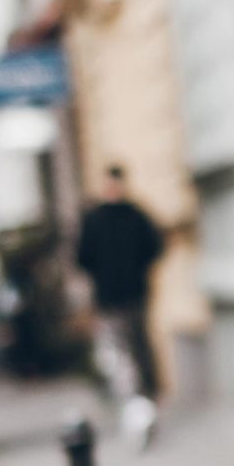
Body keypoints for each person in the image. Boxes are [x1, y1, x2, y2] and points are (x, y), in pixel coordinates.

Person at [74, 165, 164, 448]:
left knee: (138, 347)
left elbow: (154, 247)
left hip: (134, 294)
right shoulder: (95, 219)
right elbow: (83, 257)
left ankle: (143, 400)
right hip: (110, 298)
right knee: (121, 351)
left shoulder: (135, 215)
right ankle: (133, 402)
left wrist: (137, 269)